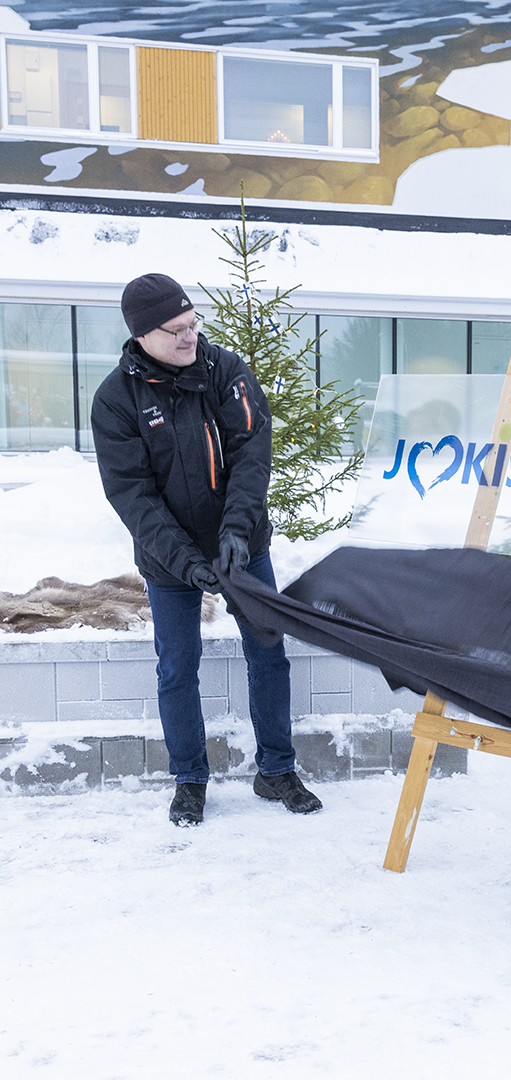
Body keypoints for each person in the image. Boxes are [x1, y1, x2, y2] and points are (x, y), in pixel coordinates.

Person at [91, 273, 322, 826]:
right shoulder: (116, 400)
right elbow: (133, 496)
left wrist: (237, 532)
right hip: (168, 559)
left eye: (192, 323)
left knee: (268, 652)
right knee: (178, 666)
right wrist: (187, 562)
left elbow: (251, 454)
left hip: (243, 547)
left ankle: (276, 770)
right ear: (141, 335)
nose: (189, 336)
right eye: (174, 329)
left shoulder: (225, 371)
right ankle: (190, 779)